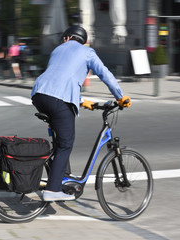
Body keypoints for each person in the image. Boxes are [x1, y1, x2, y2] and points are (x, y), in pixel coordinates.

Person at [30, 26, 131, 202]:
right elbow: (104, 73)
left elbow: (59, 78)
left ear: (67, 37)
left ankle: (62, 176)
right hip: (59, 100)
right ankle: (52, 190)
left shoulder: (57, 50)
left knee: (60, 140)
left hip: (39, 95)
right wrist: (120, 97)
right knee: (66, 144)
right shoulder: (87, 52)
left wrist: (81, 101)